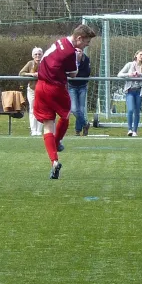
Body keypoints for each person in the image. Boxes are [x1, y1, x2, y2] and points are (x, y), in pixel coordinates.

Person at [34, 24, 97, 179]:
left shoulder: (60, 41)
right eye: (86, 42)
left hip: (40, 86)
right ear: (79, 38)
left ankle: (54, 161)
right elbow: (74, 74)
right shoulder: (70, 52)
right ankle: (57, 142)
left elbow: (45, 59)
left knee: (48, 125)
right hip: (56, 88)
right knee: (65, 116)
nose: (87, 45)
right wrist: (76, 59)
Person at [117, 50, 142, 137]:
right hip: (130, 91)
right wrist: (130, 74)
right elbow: (120, 74)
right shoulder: (129, 64)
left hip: (139, 91)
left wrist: (140, 74)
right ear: (136, 55)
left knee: (137, 111)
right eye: (140, 54)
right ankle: (129, 129)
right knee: (130, 109)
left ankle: (135, 130)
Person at [19, 47, 43, 136]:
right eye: (36, 54)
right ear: (33, 55)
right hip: (32, 89)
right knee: (32, 109)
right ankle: (33, 130)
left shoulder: (45, 63)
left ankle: (39, 130)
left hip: (43, 90)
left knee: (42, 109)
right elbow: (21, 73)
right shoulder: (30, 63)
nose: (37, 56)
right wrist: (31, 74)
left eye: (39, 54)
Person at [68, 47, 91, 136]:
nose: (78, 53)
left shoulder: (86, 59)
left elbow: (87, 73)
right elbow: (68, 73)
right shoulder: (70, 59)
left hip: (82, 86)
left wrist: (75, 73)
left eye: (80, 51)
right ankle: (85, 124)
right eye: (76, 51)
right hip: (72, 87)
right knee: (74, 109)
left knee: (81, 109)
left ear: (82, 52)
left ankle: (78, 131)